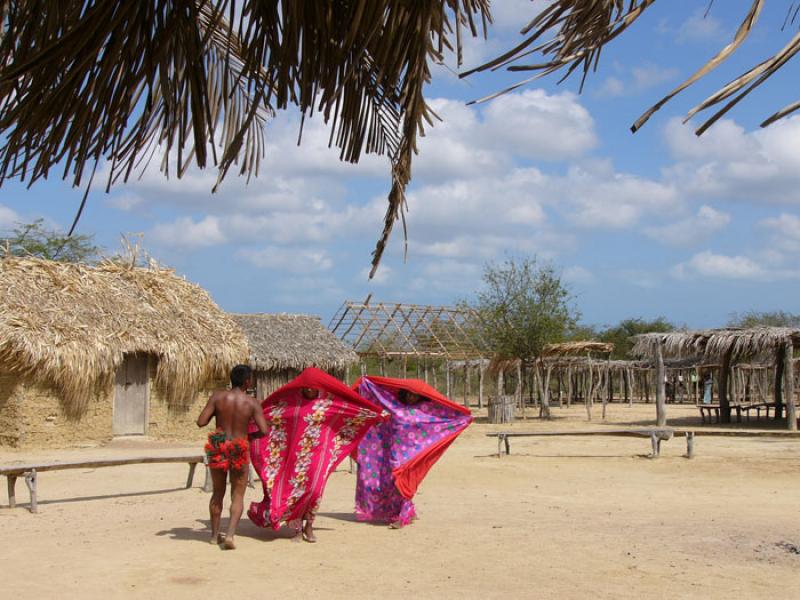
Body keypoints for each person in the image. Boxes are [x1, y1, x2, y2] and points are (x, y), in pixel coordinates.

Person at [247, 367, 384, 543]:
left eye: (313, 387)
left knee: (314, 490)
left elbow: (352, 412)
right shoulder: (291, 404)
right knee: (295, 490)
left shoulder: (328, 405)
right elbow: (271, 416)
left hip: (319, 456)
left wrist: (375, 415)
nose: (310, 390)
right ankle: (296, 528)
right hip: (295, 458)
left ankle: (309, 524)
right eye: (307, 386)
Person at [353, 376, 472, 530]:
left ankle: (403, 515)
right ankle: (406, 510)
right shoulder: (394, 406)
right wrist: (367, 385)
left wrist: (463, 417)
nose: (411, 397)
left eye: (414, 394)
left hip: (411, 455)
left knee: (402, 482)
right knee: (391, 482)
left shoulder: (426, 410)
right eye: (408, 393)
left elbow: (444, 417)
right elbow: (378, 399)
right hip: (392, 454)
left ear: (420, 396)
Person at [197, 364, 268, 550]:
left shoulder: (218, 397)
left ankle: (213, 536)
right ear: (247, 381)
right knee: (237, 495)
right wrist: (249, 437)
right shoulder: (252, 403)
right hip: (240, 447)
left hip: (219, 446)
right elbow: (264, 430)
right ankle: (229, 535)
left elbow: (201, 421)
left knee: (217, 493)